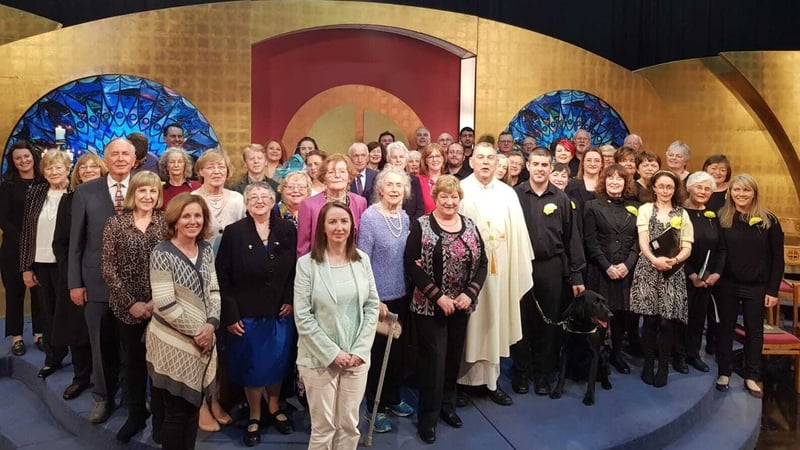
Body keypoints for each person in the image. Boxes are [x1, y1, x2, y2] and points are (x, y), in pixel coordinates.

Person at [405, 176, 487, 444]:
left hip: (461, 307)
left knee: (453, 359)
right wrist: (439, 297)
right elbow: (412, 265)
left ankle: (447, 408)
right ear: (436, 198)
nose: (450, 202)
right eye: (444, 197)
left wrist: (469, 294)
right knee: (434, 362)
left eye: (454, 197)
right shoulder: (421, 226)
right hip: (430, 308)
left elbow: (483, 263)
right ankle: (427, 419)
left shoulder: (470, 225)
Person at [216, 183, 297, 445]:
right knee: (252, 367)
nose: (259, 201)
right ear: (246, 204)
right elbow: (222, 276)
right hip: (246, 313)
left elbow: (295, 269)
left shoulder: (287, 229)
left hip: (279, 311)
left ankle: (274, 406)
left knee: (276, 363)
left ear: (274, 201)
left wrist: (290, 299)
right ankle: (254, 413)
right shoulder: (233, 232)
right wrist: (230, 313)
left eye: (265, 197)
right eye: (253, 197)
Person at [294, 202, 380, 450]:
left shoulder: (361, 259)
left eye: (344, 221)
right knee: (323, 429)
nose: (339, 227)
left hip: (356, 359)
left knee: (349, 426)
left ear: (352, 225)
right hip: (318, 360)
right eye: (332, 222)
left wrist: (359, 351)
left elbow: (372, 305)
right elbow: (303, 316)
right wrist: (333, 354)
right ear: (322, 227)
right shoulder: (306, 264)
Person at [457, 143, 533, 404]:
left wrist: (517, 273)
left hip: (500, 272)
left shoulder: (508, 194)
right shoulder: (461, 191)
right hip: (467, 277)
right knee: (470, 327)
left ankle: (491, 382)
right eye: (481, 157)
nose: (486, 162)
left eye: (490, 158)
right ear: (472, 161)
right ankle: (463, 382)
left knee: (494, 323)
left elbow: (519, 237)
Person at [69, 138, 136, 424]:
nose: (120, 159)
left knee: (133, 347)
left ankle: (135, 398)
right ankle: (103, 397)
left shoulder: (146, 186)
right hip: (95, 282)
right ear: (105, 159)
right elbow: (76, 242)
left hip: (137, 285)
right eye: (114, 154)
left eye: (125, 154)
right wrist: (75, 282)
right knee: (100, 344)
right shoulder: (85, 191)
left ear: (135, 159)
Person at [147, 193, 220, 449]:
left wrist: (211, 324)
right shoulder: (161, 252)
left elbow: (213, 290)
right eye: (186, 216)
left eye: (197, 215)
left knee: (192, 410)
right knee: (176, 413)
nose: (193, 221)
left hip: (203, 339)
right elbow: (165, 304)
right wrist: (200, 332)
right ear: (174, 220)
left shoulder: (207, 249)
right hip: (171, 343)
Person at [513, 148, 585, 395]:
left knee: (549, 322)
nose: (541, 169)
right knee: (521, 321)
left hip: (552, 266)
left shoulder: (561, 199)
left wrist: (576, 274)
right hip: (521, 265)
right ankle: (521, 373)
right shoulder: (515, 195)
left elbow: (572, 238)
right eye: (536, 164)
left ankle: (542, 374)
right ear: (528, 165)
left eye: (545, 165)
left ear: (551, 168)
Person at [101, 170, 166, 442]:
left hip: (162, 306)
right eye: (142, 191)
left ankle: (162, 421)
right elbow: (107, 267)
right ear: (133, 194)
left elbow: (172, 264)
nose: (148, 196)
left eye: (153, 191)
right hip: (127, 309)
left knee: (161, 366)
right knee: (133, 364)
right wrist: (132, 303)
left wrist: (153, 302)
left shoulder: (166, 224)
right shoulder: (115, 224)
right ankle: (136, 414)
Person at [357, 168, 415, 433]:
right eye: (389, 185)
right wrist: (373, 298)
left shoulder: (403, 216)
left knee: (399, 355)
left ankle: (392, 398)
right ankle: (374, 407)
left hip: (403, 295)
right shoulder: (370, 217)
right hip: (380, 299)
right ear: (380, 189)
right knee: (378, 355)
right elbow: (362, 260)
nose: (394, 189)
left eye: (399, 185)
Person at [716, 174, 783, 397]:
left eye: (746, 190)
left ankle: (752, 376)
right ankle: (724, 371)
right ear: (730, 192)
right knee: (725, 329)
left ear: (754, 193)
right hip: (728, 284)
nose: (741, 194)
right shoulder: (723, 217)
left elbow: (777, 258)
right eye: (737, 190)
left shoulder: (769, 220)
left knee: (754, 332)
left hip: (758, 286)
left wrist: (773, 290)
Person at [629, 170, 693, 388]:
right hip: (648, 269)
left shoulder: (682, 213)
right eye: (661, 186)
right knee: (649, 320)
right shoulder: (646, 209)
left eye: (669, 187)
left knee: (667, 321)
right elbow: (643, 240)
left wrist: (673, 261)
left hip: (671, 273)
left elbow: (687, 245)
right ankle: (648, 364)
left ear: (675, 189)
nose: (665, 190)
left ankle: (663, 366)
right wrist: (653, 259)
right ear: (653, 188)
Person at [52, 153, 105, 401]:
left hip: (107, 276)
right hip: (77, 276)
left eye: (95, 166)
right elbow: (62, 242)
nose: (90, 170)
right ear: (77, 172)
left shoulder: (114, 196)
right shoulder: (69, 200)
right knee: (78, 331)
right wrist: (73, 277)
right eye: (84, 167)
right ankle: (81, 378)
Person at [583, 164, 640, 374]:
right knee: (598, 314)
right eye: (610, 178)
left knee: (622, 314)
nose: (615, 182)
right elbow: (590, 241)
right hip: (601, 269)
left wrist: (628, 265)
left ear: (626, 183)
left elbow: (638, 241)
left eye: (619, 178)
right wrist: (607, 266)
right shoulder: (592, 206)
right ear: (603, 181)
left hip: (626, 268)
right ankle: (596, 356)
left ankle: (616, 354)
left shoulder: (636, 207)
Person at [20, 150, 71, 380]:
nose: (53, 171)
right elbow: (27, 232)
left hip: (67, 263)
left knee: (69, 312)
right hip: (41, 262)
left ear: (67, 168)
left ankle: (81, 362)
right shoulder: (37, 192)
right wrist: (26, 267)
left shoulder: (75, 192)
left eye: (58, 167)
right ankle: (53, 358)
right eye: (49, 168)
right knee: (47, 312)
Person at [675, 171, 724, 375]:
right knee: (679, 318)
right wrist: (692, 275)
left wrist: (716, 273)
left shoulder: (713, 216)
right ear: (689, 188)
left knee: (698, 318)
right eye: (699, 187)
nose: (702, 191)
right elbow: (674, 247)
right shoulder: (679, 213)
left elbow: (722, 248)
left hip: (707, 279)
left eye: (707, 188)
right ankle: (677, 356)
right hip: (683, 275)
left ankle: (693, 354)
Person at [1, 142, 44, 356]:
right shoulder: (7, 185)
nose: (23, 161)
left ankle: (39, 334)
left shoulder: (43, 182)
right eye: (18, 158)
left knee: (39, 293)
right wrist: (23, 239)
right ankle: (17, 337)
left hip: (40, 247)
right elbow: (3, 219)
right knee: (15, 293)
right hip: (13, 247)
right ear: (13, 162)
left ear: (33, 157)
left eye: (26, 157)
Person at [296, 154, 368, 257]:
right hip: (318, 264)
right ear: (324, 178)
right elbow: (302, 247)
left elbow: (361, 240)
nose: (337, 176)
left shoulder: (360, 202)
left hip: (350, 261)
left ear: (349, 177)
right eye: (331, 172)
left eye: (342, 172)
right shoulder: (308, 205)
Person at [192, 148, 246, 252]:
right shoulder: (193, 199)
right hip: (202, 261)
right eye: (210, 167)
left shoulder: (238, 199)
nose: (217, 172)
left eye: (221, 167)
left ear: (227, 171)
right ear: (201, 171)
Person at [386, 141, 425, 222]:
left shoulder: (414, 180)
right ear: (389, 160)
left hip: (410, 228)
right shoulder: (381, 179)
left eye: (401, 157)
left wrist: (409, 227)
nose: (398, 160)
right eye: (394, 157)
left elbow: (420, 208)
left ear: (406, 160)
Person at [417, 143, 446, 214]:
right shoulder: (417, 180)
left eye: (437, 156)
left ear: (443, 159)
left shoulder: (449, 180)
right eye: (430, 157)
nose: (434, 159)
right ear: (425, 161)